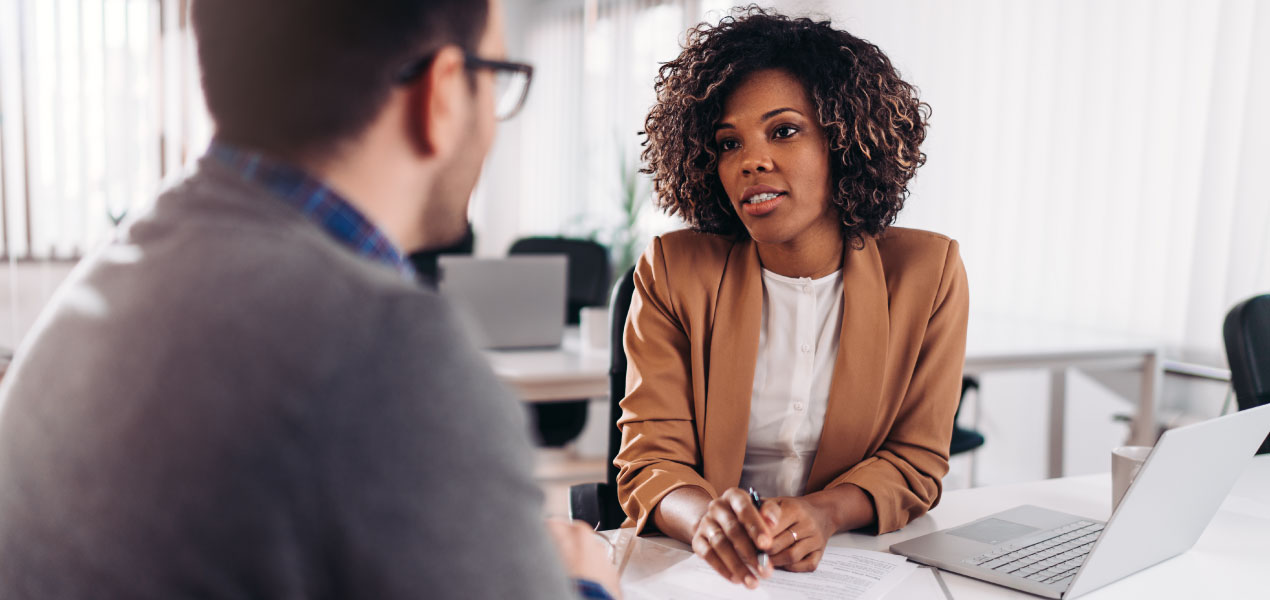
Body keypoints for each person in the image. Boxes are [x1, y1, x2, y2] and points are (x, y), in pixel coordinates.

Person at [0, 0, 618, 598]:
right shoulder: (393, 354)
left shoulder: (104, 285)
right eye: (499, 77)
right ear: (446, 93)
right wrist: (589, 584)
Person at [615, 8, 969, 590]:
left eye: (783, 131)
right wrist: (707, 520)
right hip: (706, 573)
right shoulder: (673, 270)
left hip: (854, 568)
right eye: (729, 143)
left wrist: (824, 513)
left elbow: (916, 460)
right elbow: (651, 460)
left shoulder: (927, 274)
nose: (751, 161)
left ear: (844, 140)